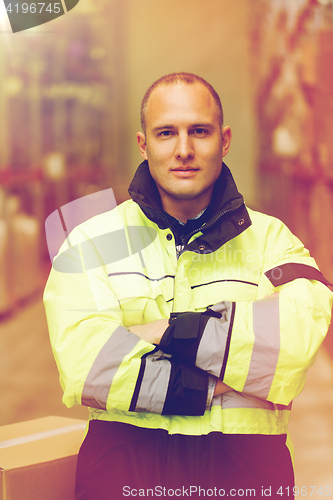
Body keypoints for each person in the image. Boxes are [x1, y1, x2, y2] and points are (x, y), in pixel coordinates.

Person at [44, 73, 333, 499]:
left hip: (245, 475)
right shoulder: (90, 243)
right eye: (167, 133)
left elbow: (293, 344)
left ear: (224, 140)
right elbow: (86, 365)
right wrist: (221, 378)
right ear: (144, 145)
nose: (184, 150)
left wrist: (164, 330)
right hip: (124, 473)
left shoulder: (273, 241)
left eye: (199, 131)